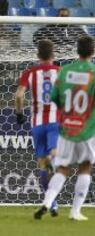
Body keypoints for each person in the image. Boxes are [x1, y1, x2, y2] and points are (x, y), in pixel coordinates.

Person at [34, 36, 95, 221]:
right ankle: (75, 211)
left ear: (77, 51)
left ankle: (47, 201)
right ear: (93, 52)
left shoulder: (64, 71)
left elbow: (54, 97)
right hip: (88, 128)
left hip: (66, 129)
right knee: (85, 167)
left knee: (62, 168)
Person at [15, 39, 60, 216]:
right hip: (56, 120)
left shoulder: (29, 73)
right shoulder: (61, 72)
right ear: (53, 55)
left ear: (37, 55)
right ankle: (53, 159)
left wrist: (19, 113)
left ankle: (53, 203)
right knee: (55, 154)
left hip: (37, 123)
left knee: (41, 165)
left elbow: (19, 96)